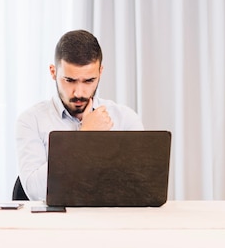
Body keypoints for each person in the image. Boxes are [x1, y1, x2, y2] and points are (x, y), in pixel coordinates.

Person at [15, 29, 144, 201]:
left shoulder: (126, 119)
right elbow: (35, 192)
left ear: (100, 72)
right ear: (53, 72)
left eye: (89, 81)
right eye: (69, 80)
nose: (79, 92)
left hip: (110, 222)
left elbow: (142, 188)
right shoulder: (31, 121)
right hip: (54, 225)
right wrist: (84, 139)